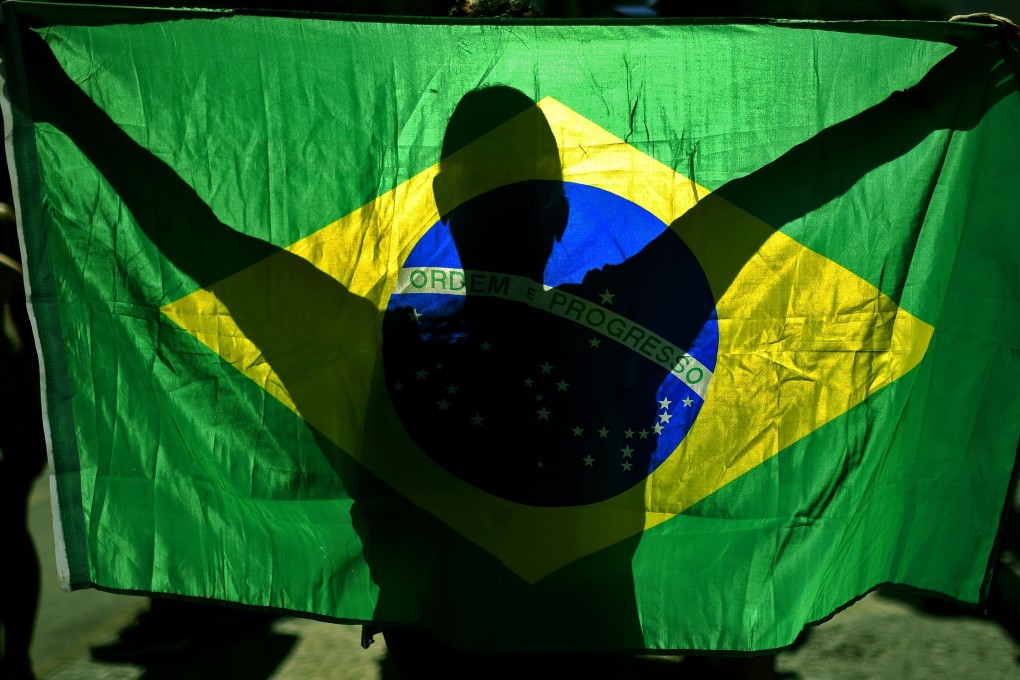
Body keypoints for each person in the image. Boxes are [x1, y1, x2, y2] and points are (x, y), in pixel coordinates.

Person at [0, 202, 46, 680]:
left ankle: (16, 659)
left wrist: (32, 406)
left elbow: (26, 295)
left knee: (7, 531)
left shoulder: (4, 221)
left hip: (7, 406)